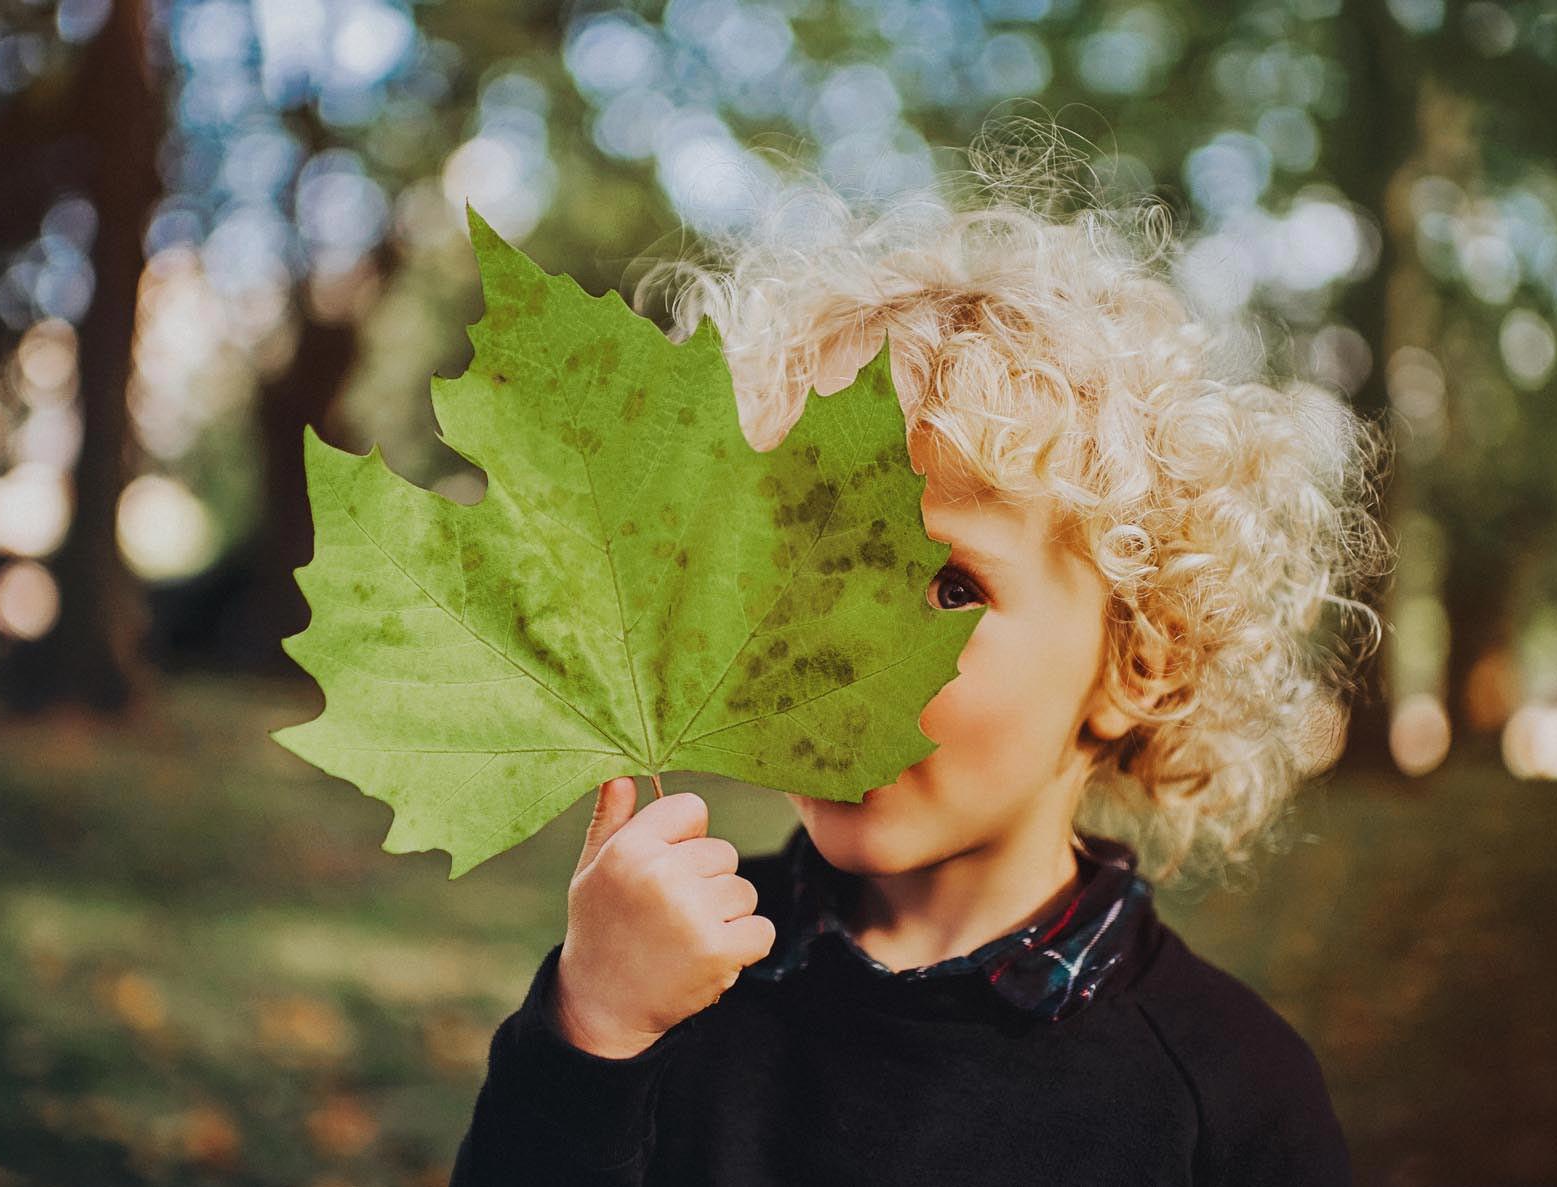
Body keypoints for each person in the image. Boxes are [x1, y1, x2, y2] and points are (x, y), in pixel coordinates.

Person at [449, 122, 1392, 1186]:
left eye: (951, 585)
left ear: (1142, 664)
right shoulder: (661, 973)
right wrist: (593, 1027)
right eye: (800, 565)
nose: (839, 644)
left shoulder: (1228, 1095)